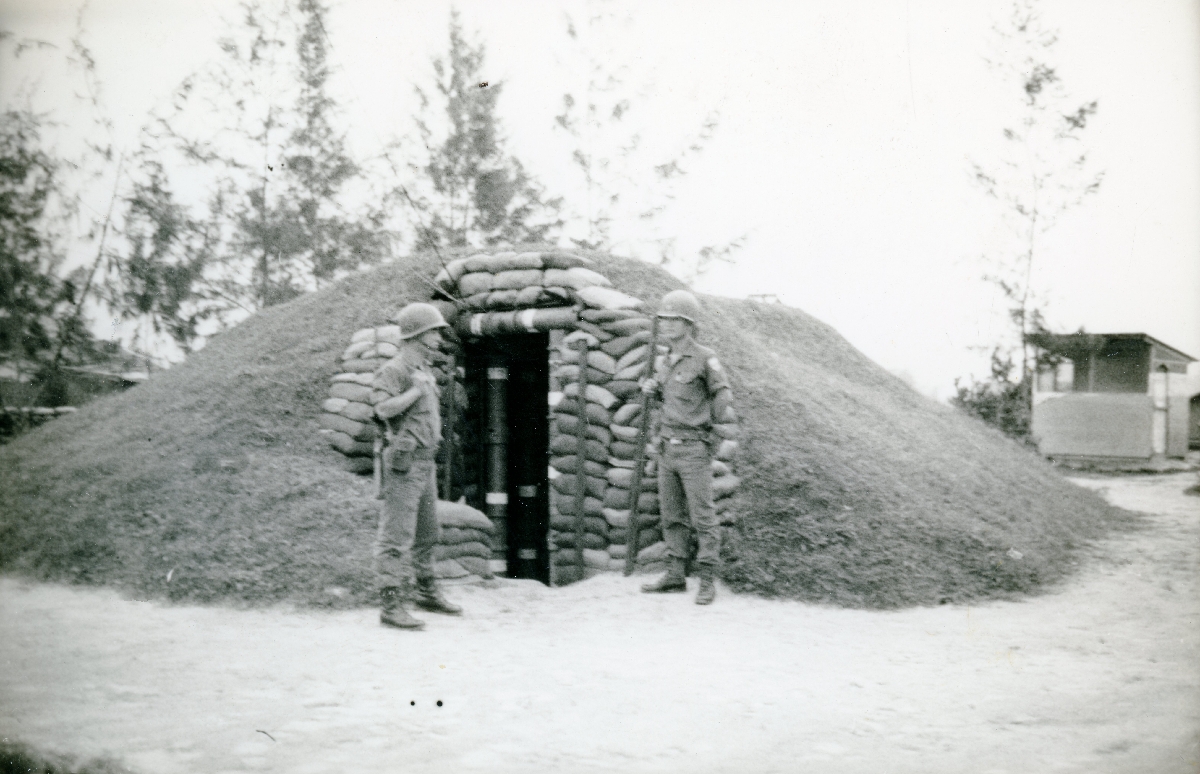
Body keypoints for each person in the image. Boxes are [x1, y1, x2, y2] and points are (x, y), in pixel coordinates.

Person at [639, 289, 735, 605]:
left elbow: (721, 394)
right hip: (668, 448)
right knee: (672, 516)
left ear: (688, 323)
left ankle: (707, 580)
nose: (665, 325)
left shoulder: (705, 358)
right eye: (663, 320)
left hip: (695, 449)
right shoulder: (665, 361)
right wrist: (653, 390)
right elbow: (670, 400)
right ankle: (675, 576)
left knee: (703, 518)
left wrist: (715, 430)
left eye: (672, 320)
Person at [372, 302, 463, 629]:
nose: (439, 337)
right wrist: (413, 392)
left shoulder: (423, 369)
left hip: (425, 463)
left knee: (428, 532)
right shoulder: (395, 370)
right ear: (418, 335)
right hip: (404, 464)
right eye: (434, 332)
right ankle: (390, 603)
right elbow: (382, 409)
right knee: (396, 535)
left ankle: (426, 591)